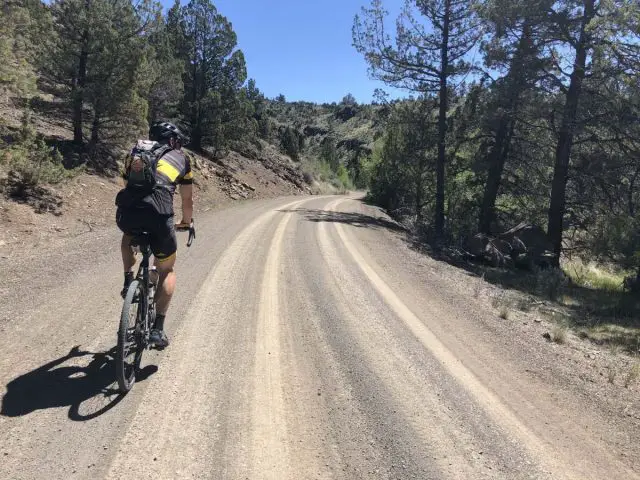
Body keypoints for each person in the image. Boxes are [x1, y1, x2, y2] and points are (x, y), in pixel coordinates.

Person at [115, 121, 194, 348]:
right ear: (173, 140)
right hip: (159, 215)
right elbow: (187, 198)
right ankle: (158, 329)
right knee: (166, 269)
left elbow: (126, 183)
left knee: (128, 236)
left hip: (129, 212)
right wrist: (186, 222)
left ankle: (128, 278)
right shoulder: (182, 158)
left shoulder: (136, 152)